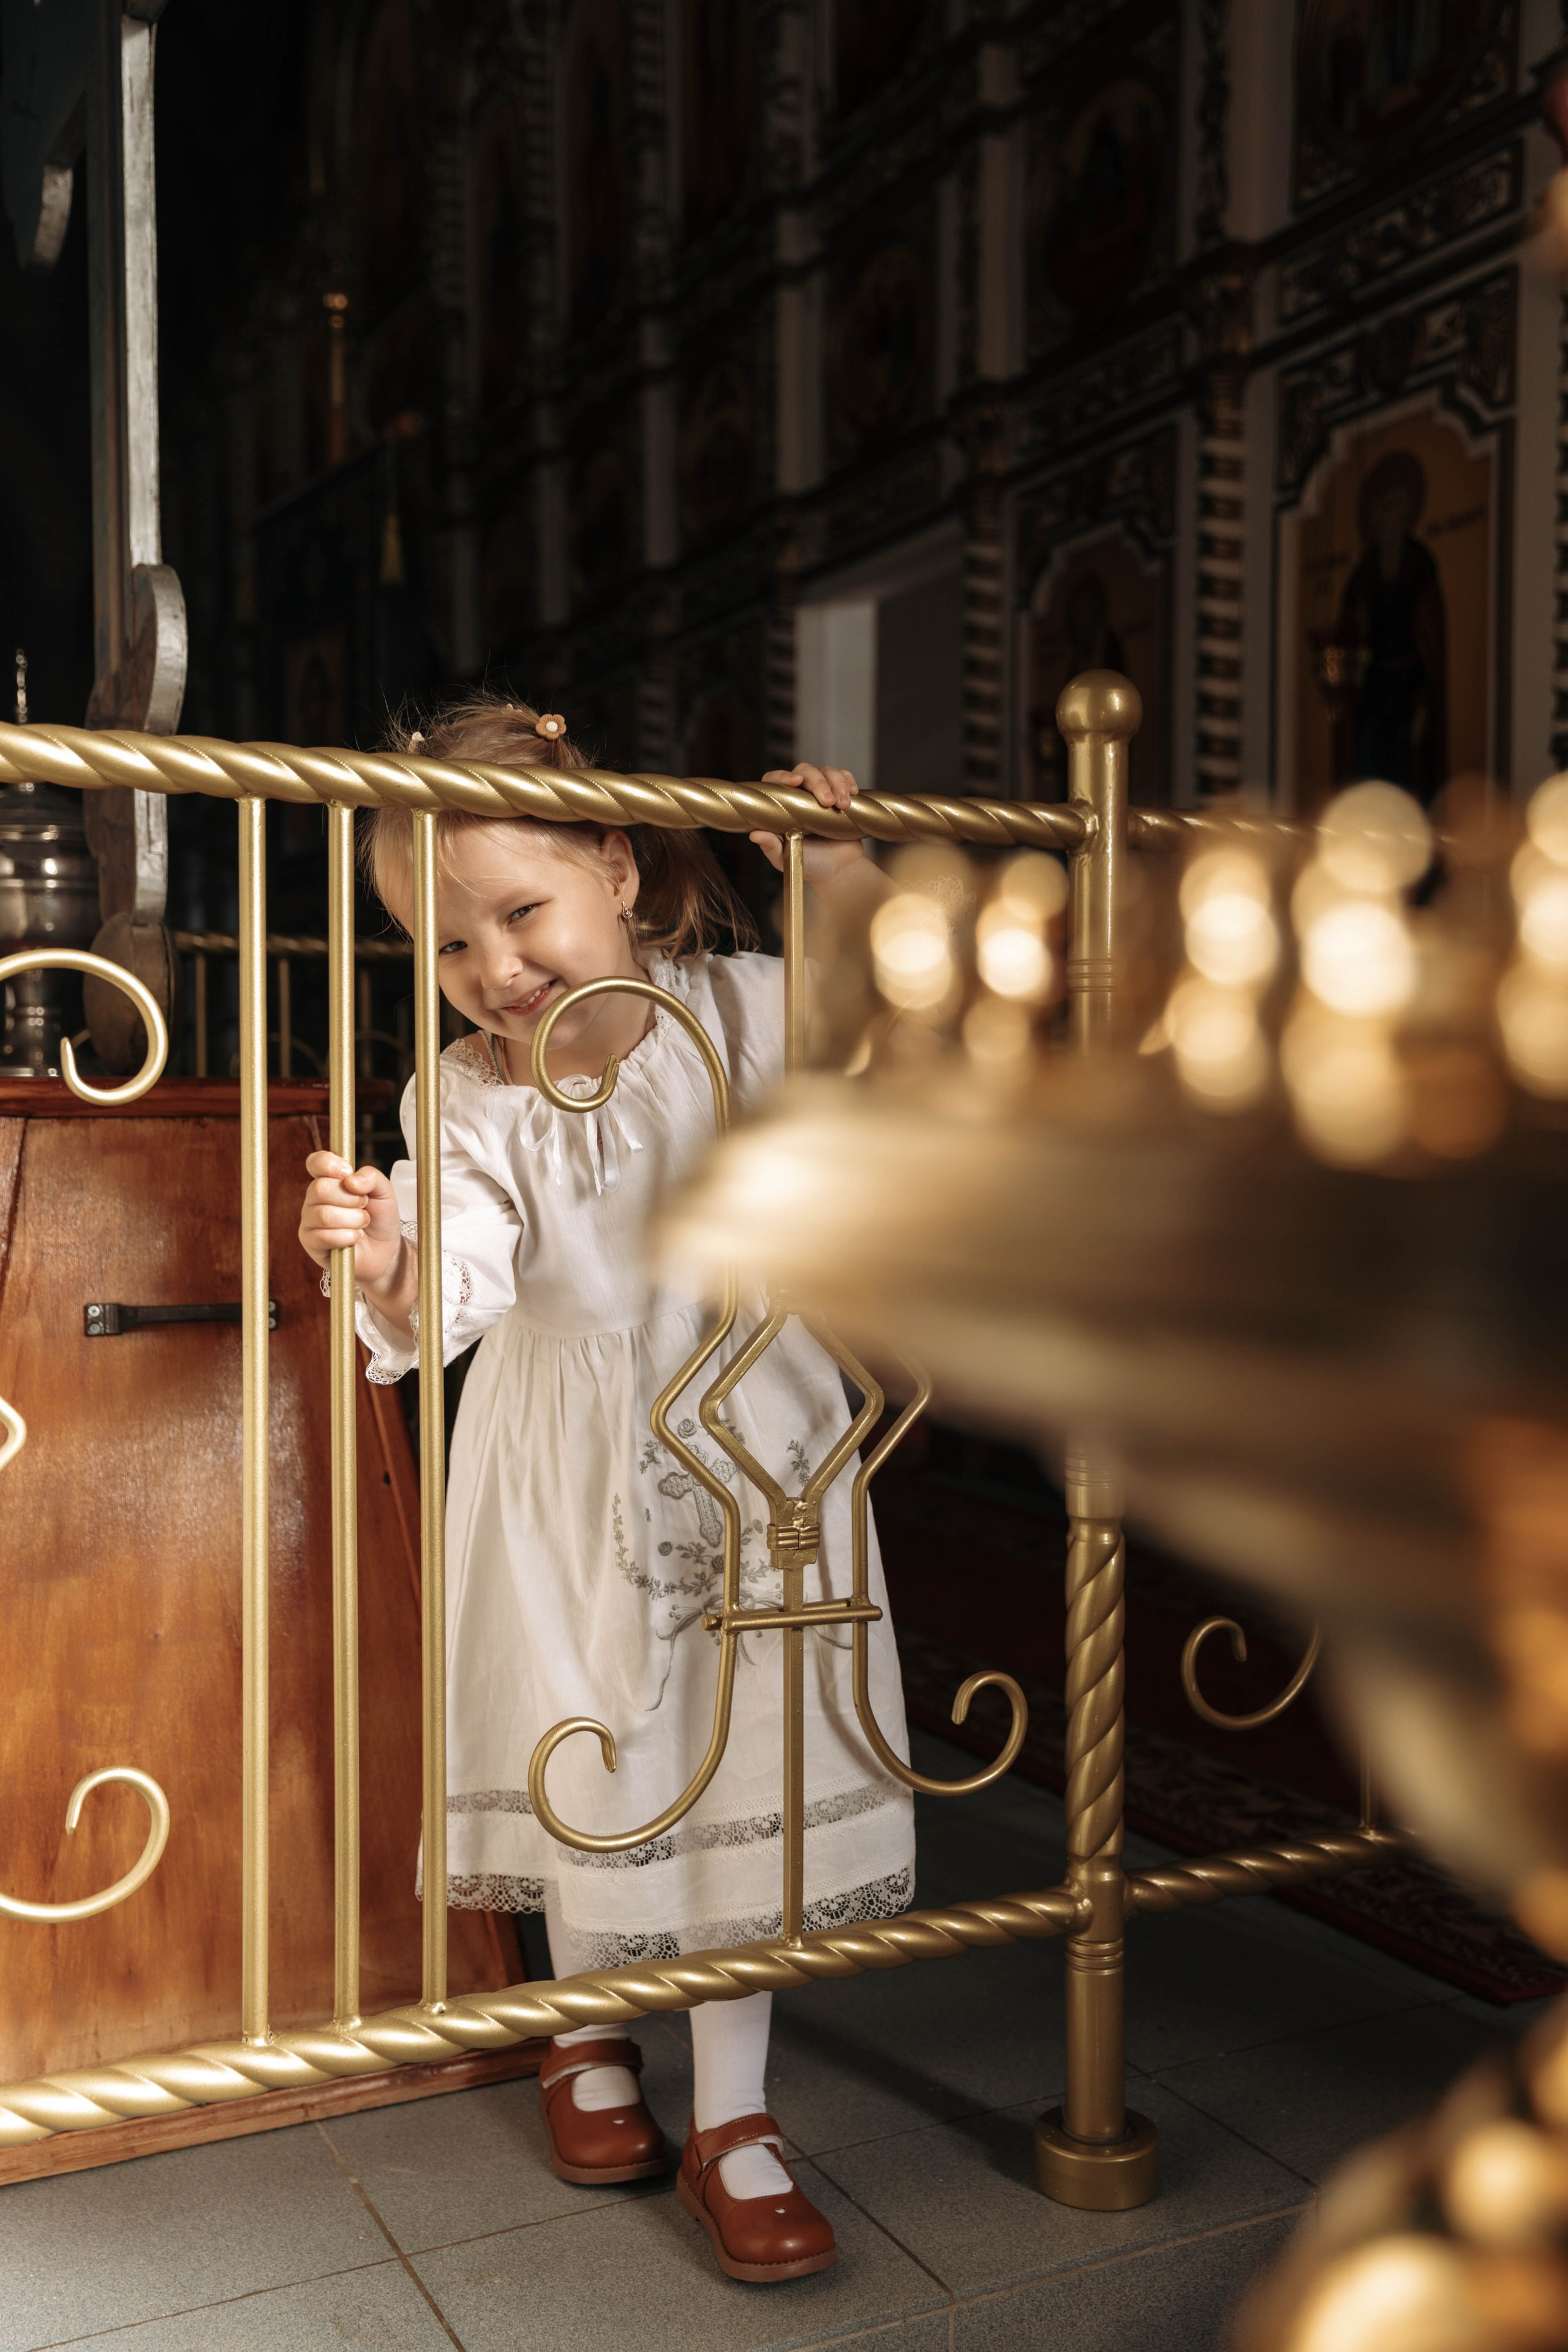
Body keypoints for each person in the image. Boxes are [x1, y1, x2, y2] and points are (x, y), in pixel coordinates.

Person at [297, 696, 914, 2285]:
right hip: (563, 1466)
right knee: (590, 1736)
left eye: (522, 912)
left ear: (621, 870)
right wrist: (387, 1255)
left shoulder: (748, 1009)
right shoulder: (464, 1095)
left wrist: (837, 870)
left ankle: (735, 2115)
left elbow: (891, 1040)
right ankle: (584, 2030)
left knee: (744, 1746)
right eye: (447, 944)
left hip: (755, 1437)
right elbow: (458, 1289)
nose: (494, 968)